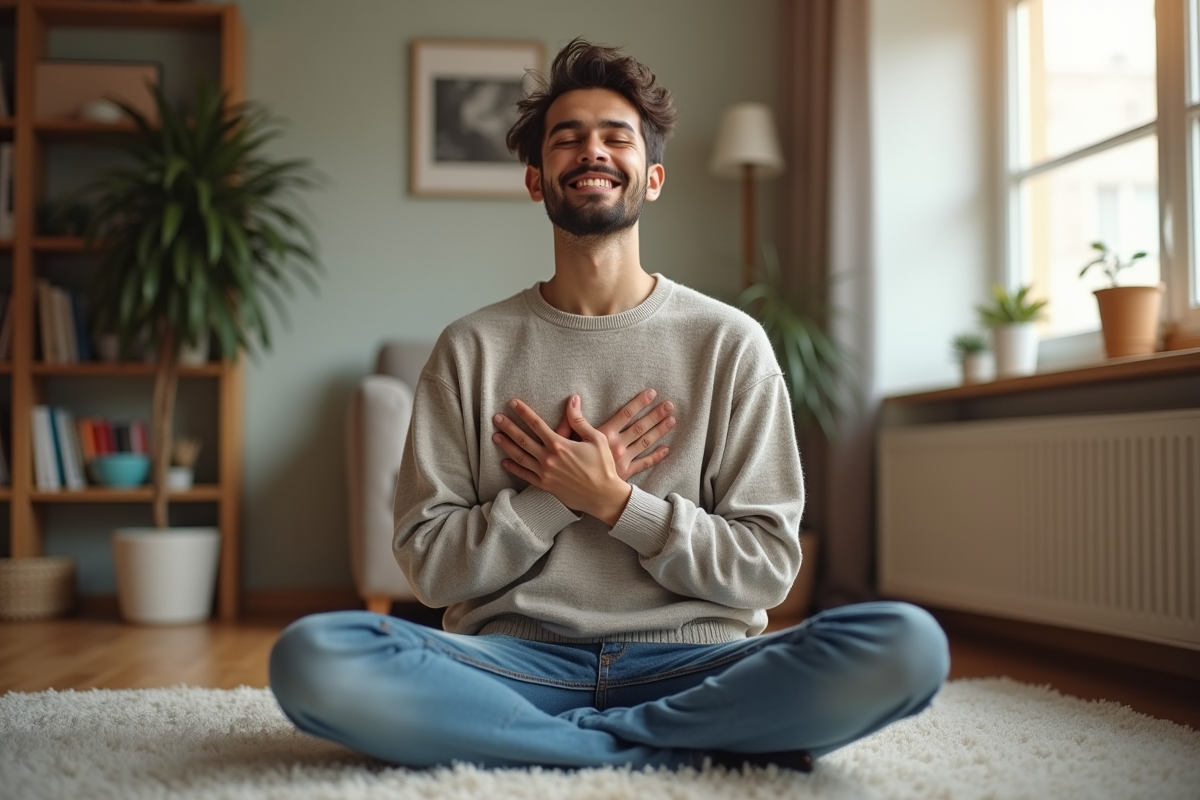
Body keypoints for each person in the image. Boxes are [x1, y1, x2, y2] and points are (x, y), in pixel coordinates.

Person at [269, 38, 949, 772]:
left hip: (699, 666)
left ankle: (557, 751)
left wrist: (618, 502)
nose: (591, 150)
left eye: (614, 136)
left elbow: (769, 570)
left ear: (651, 178)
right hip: (516, 667)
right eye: (568, 138)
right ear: (537, 181)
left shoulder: (730, 343)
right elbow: (431, 572)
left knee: (908, 644)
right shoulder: (470, 348)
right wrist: (551, 502)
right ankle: (660, 747)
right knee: (313, 656)